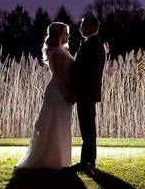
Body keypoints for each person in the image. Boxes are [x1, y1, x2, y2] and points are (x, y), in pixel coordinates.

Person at [15, 22, 75, 169]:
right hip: (57, 93)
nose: (68, 35)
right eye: (65, 33)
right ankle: (50, 160)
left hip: (63, 91)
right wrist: (67, 94)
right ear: (59, 34)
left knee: (62, 124)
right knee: (53, 123)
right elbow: (59, 77)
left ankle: (62, 159)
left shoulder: (64, 50)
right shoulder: (55, 53)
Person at [69, 15, 105, 172]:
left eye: (83, 24)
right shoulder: (92, 43)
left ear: (92, 27)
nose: (80, 27)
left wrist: (76, 91)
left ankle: (88, 162)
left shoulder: (93, 43)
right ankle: (88, 161)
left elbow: (86, 72)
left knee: (87, 128)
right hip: (88, 92)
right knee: (88, 128)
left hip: (86, 93)